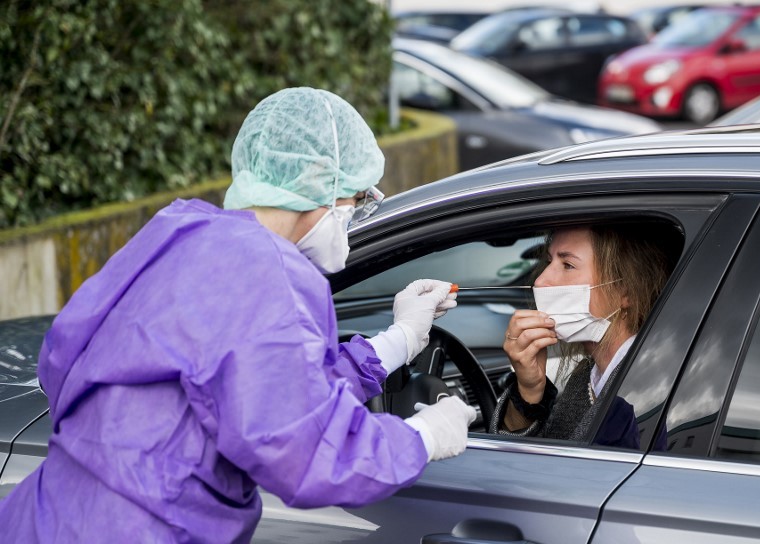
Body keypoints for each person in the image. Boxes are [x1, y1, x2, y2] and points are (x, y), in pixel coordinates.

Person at [0, 87, 476, 542]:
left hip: (41, 516)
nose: (354, 215)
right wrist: (423, 436)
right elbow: (307, 455)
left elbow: (61, 361)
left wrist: (400, 338)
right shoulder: (271, 274)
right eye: (355, 200)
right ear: (322, 184)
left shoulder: (179, 231)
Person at [488, 224, 671, 447]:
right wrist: (529, 390)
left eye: (567, 265)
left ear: (625, 291)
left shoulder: (649, 385)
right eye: (549, 261)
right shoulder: (586, 377)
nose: (541, 281)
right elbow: (533, 462)